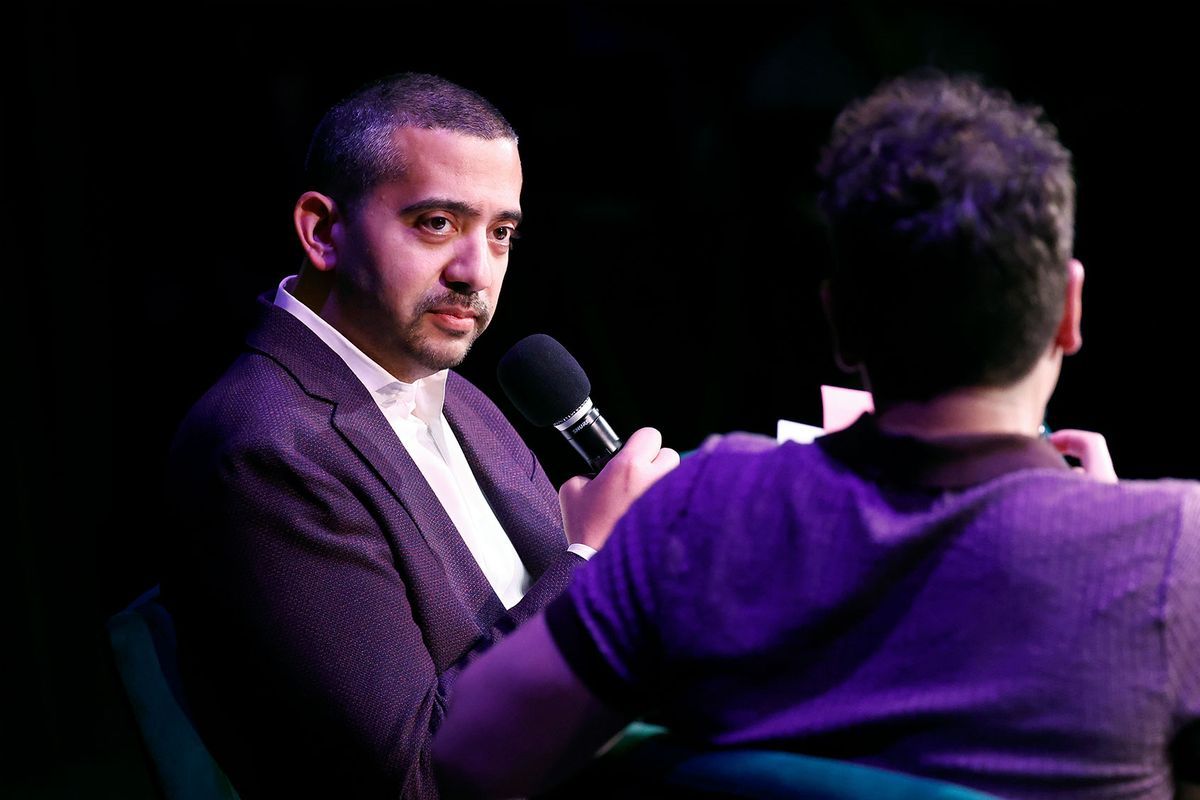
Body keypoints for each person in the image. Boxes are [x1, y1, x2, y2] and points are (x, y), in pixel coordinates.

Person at [430, 71, 1200, 800]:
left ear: (840, 321)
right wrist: (1116, 526)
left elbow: (470, 755)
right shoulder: (1176, 550)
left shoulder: (700, 511)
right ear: (1068, 310)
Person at [160, 72, 678, 799]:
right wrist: (592, 556)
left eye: (500, 233)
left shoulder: (458, 396)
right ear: (322, 231)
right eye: (437, 223)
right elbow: (420, 775)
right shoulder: (264, 448)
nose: (477, 272)